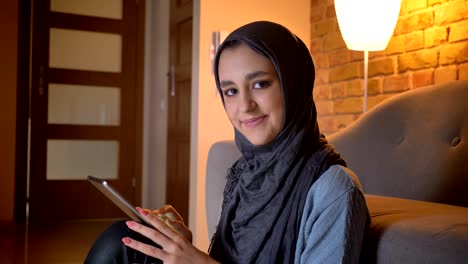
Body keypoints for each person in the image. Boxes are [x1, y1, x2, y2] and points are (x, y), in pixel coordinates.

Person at [85, 20, 369, 264]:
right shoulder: (243, 173)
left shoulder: (334, 190)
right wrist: (181, 243)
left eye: (260, 84)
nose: (244, 105)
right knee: (123, 240)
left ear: (294, 83)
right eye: (230, 91)